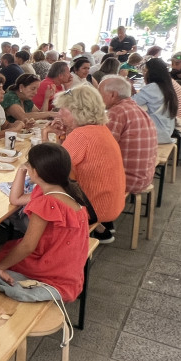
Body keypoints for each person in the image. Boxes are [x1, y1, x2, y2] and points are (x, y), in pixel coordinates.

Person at [0, 143, 90, 302]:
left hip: (49, 268)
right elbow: (16, 198)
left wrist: (0, 267)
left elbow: (27, 247)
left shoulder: (46, 202)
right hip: (66, 264)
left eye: (28, 165)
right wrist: (21, 170)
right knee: (0, 248)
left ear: (35, 171)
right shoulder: (65, 191)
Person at [49, 85, 126, 243]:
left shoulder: (81, 135)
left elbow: (49, 170)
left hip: (94, 208)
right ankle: (99, 229)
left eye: (63, 109)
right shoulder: (100, 129)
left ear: (78, 110)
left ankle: (39, 245)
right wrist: (61, 138)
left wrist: (46, 136)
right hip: (110, 203)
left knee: (37, 198)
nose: (59, 113)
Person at [99, 75, 158, 195]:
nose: (97, 98)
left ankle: (91, 213)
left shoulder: (117, 112)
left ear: (113, 95)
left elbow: (103, 149)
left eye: (99, 94)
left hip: (128, 180)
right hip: (144, 176)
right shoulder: (135, 108)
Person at [133, 58, 178, 144]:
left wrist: (129, 87)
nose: (144, 74)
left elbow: (131, 103)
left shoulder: (153, 87)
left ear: (151, 73)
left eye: (145, 71)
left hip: (156, 134)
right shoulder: (167, 86)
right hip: (166, 132)